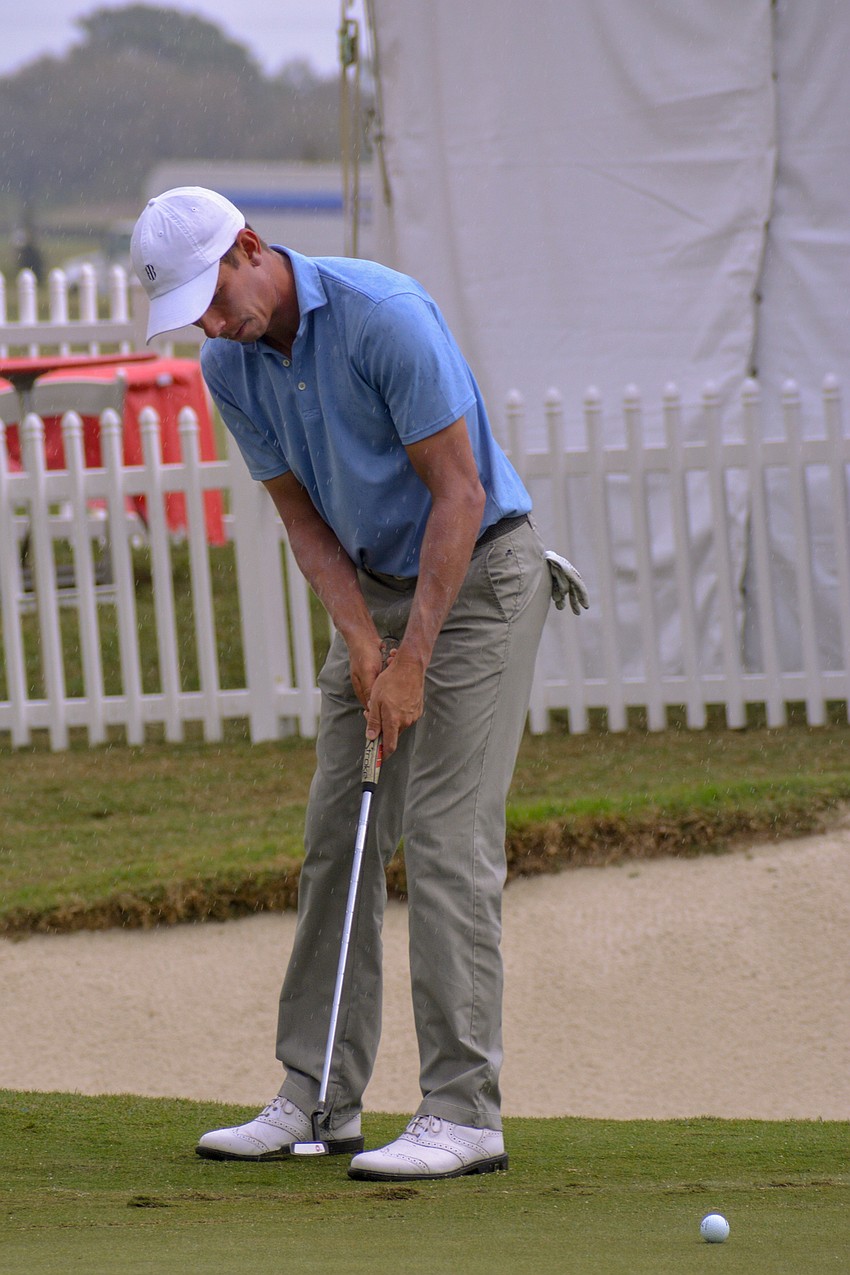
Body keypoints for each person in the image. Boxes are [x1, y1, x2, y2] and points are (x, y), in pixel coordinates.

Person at [130, 187, 587, 1182]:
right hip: (374, 590)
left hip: (480, 579)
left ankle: (463, 1112)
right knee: (338, 835)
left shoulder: (385, 316)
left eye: (214, 299)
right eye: (192, 315)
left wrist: (413, 658)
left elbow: (459, 493)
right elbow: (303, 522)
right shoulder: (229, 364)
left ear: (250, 247)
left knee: (447, 838)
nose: (212, 325)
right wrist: (365, 647)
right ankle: (317, 1096)